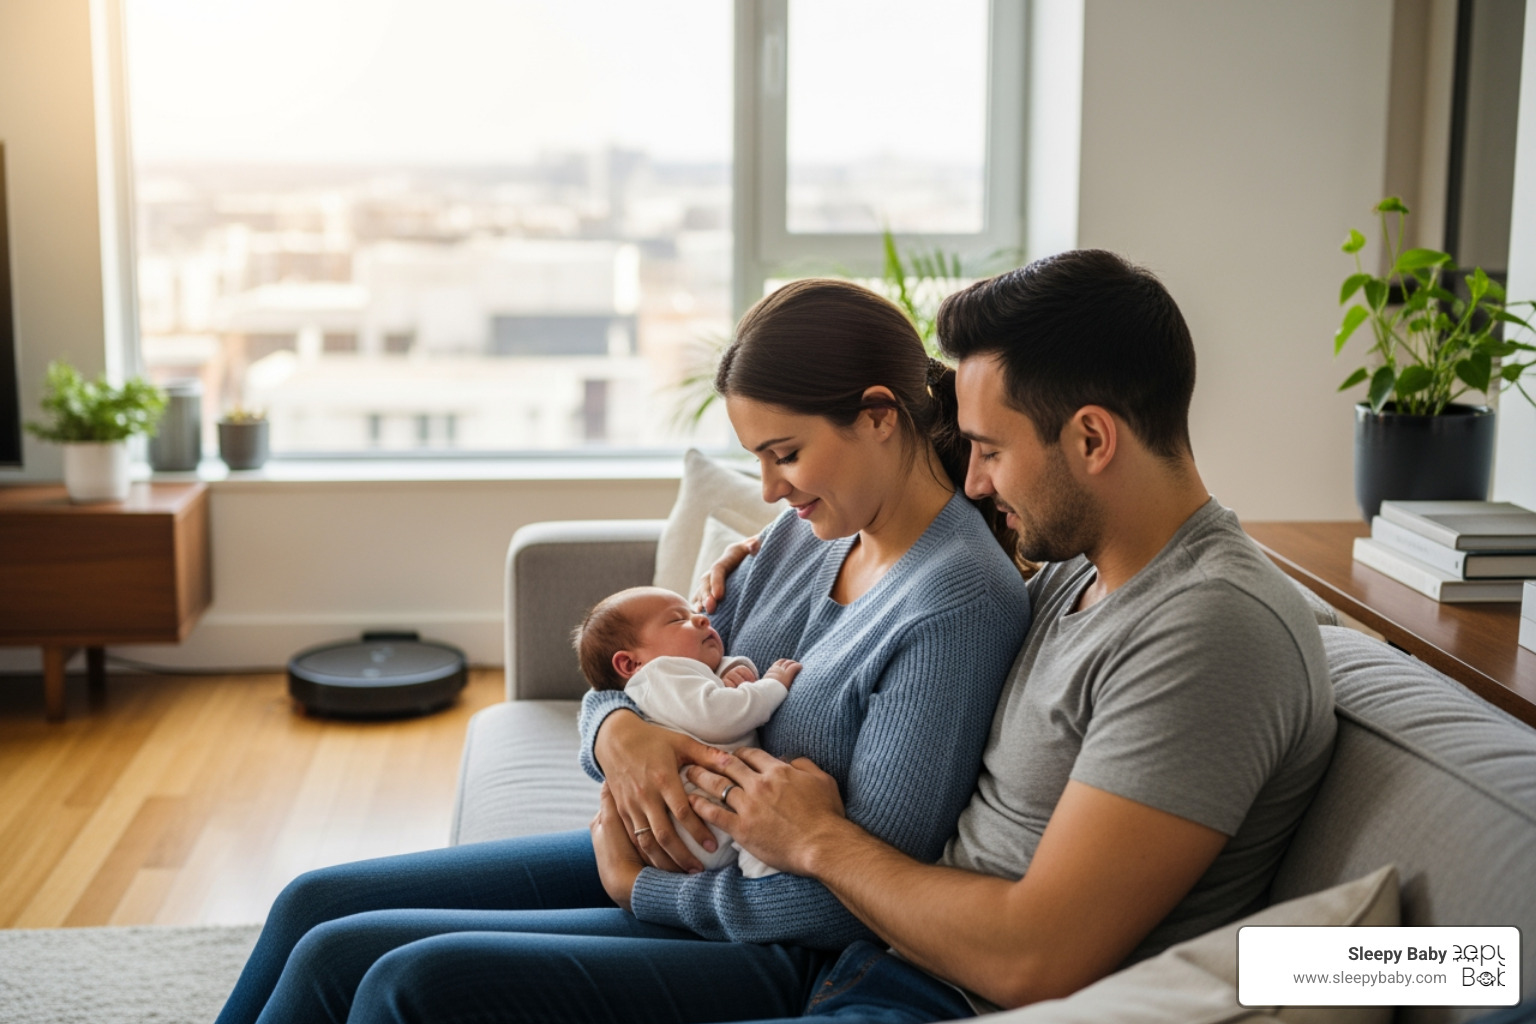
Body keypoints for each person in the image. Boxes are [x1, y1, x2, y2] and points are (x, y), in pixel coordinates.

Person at [212, 277, 1031, 1024]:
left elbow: (850, 900)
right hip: (682, 864)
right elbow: (636, 675)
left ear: (881, 416)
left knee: (392, 978)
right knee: (312, 907)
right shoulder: (806, 536)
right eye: (759, 460)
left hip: (776, 942)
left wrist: (639, 890)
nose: (772, 489)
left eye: (785, 454)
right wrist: (616, 734)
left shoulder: (955, 603)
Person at [683, 249, 1338, 1015]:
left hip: (934, 1000)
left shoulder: (1214, 631)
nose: (975, 482)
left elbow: (1035, 959)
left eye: (991, 450)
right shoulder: (1070, 576)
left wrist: (814, 840)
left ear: (1092, 440)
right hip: (873, 957)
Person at [572, 584, 801, 876]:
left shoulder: (665, 681)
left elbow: (705, 681)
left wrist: (730, 669)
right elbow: (720, 715)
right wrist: (772, 684)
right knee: (766, 858)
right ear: (631, 663)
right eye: (678, 619)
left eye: (693, 612)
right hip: (699, 821)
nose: (703, 619)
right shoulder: (660, 674)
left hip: (686, 832)